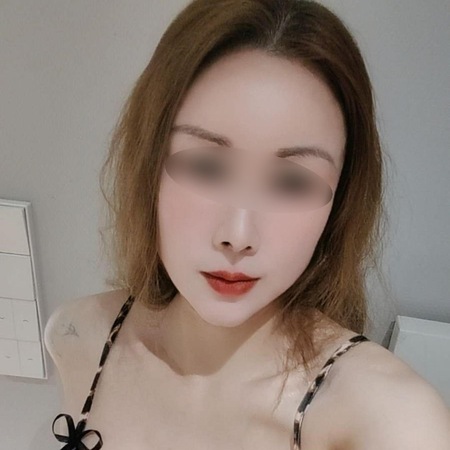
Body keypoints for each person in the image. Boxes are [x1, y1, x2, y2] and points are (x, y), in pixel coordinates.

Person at [44, 1, 450, 449]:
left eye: (291, 182)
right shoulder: (77, 335)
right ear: (148, 163)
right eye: (206, 167)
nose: (237, 236)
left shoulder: (393, 423)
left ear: (342, 199)